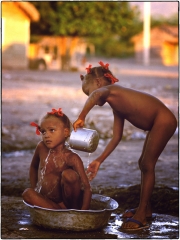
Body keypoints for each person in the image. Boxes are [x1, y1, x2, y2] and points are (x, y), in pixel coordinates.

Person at [73, 61, 177, 230]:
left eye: (88, 91)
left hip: (163, 120)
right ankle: (146, 208)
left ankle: (142, 214)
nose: (89, 96)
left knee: (147, 164)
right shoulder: (116, 104)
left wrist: (81, 116)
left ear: (98, 83)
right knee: (142, 163)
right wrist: (99, 160)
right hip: (157, 123)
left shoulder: (109, 90)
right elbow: (116, 137)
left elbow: (96, 95)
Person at [22, 108, 92, 210]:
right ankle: (59, 211)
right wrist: (34, 187)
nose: (46, 135)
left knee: (69, 175)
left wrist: (84, 211)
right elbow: (33, 166)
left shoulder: (72, 158)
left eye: (52, 130)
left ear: (66, 132)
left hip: (68, 203)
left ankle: (72, 210)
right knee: (28, 193)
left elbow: (86, 187)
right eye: (43, 131)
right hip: (48, 202)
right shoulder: (41, 147)